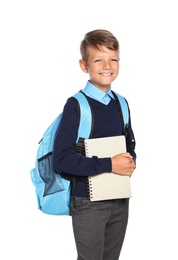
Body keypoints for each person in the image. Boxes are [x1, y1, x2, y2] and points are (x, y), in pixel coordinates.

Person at [53, 29, 136, 260]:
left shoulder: (122, 103)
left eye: (113, 59)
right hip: (88, 201)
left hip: (119, 199)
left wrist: (131, 162)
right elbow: (62, 160)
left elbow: (129, 144)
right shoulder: (76, 105)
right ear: (84, 65)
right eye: (98, 59)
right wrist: (110, 164)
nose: (107, 65)